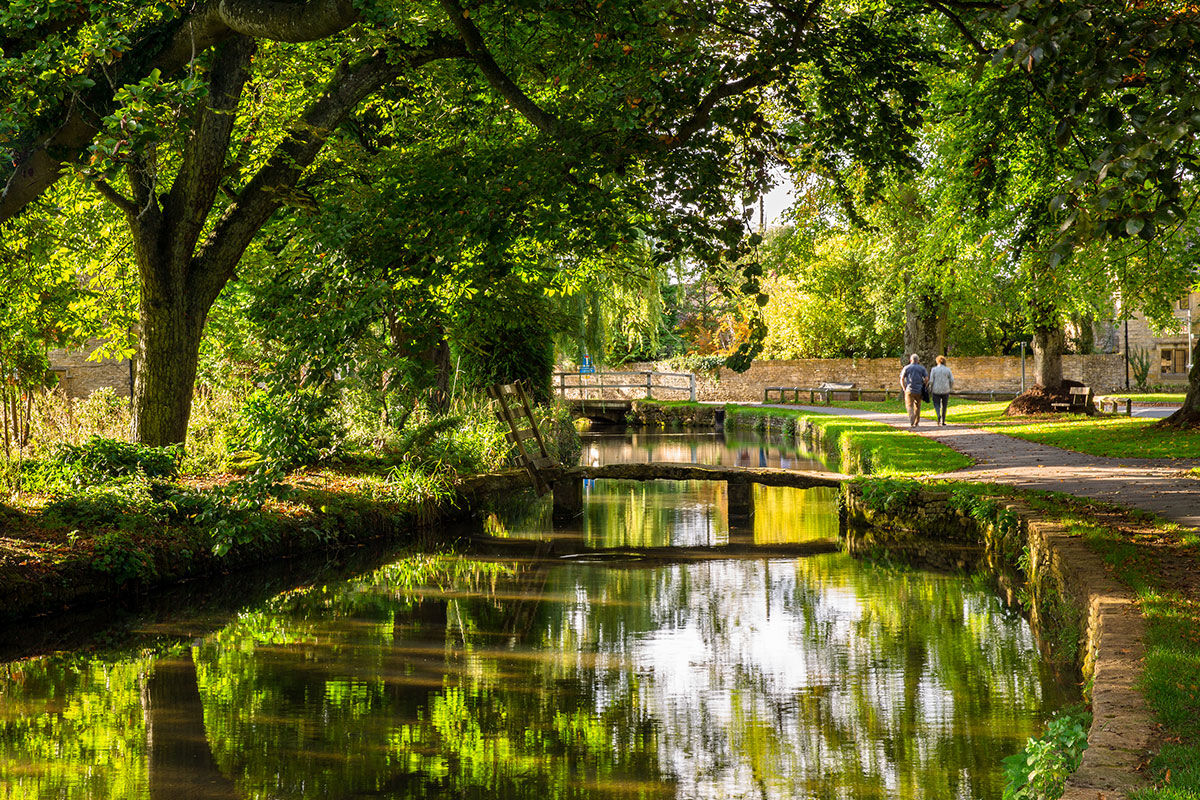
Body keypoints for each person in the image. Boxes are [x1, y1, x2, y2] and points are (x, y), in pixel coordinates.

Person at [899, 354, 928, 427]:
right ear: (918, 360)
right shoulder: (921, 368)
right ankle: (916, 422)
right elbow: (926, 378)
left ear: (910, 360)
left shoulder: (906, 368)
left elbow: (902, 378)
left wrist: (903, 388)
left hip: (909, 389)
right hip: (919, 390)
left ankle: (912, 419)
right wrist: (924, 385)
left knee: (909, 405)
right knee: (918, 406)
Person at [929, 355, 954, 426]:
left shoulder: (934, 369)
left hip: (936, 390)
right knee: (944, 405)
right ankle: (943, 420)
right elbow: (952, 380)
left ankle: (938, 415)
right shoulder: (948, 370)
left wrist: (930, 388)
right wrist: (950, 387)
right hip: (945, 390)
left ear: (937, 361)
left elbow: (931, 380)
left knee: (936, 404)